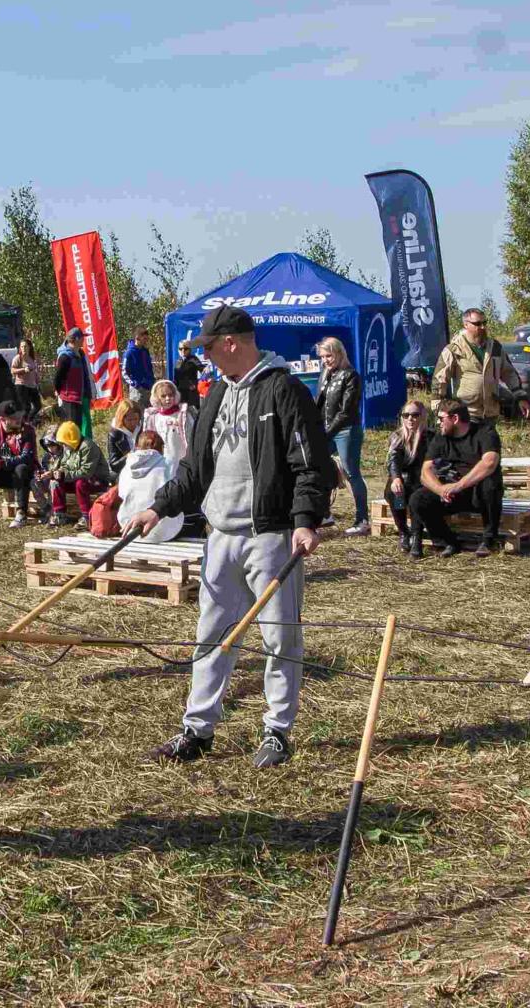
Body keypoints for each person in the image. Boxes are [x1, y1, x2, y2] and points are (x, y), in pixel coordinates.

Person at [132, 304, 332, 769]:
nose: (207, 359)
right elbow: (194, 469)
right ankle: (197, 730)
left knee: (280, 637)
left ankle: (277, 731)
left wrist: (305, 520)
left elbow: (311, 464)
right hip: (219, 535)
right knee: (212, 636)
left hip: (270, 535)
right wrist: (158, 506)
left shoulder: (284, 390)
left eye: (210, 349)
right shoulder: (217, 395)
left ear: (231, 343)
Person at [409, 397, 503, 559]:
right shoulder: (441, 438)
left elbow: (490, 462)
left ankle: (489, 539)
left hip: (477, 494)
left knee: (490, 482)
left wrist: (459, 485)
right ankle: (449, 541)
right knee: (418, 499)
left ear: (455, 419)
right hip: (450, 493)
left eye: (441, 419)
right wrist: (440, 489)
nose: (438, 423)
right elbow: (426, 472)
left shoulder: (485, 432)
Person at [316, 336, 370, 536]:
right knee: (316, 465)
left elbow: (346, 411)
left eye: (328, 356)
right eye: (322, 357)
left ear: (339, 353)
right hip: (328, 428)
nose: (326, 360)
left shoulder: (350, 375)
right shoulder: (325, 374)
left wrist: (327, 432)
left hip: (347, 429)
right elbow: (319, 404)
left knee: (351, 472)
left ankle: (362, 519)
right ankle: (324, 512)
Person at [431, 308, 520, 424]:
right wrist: (439, 411)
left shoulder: (495, 347)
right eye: (477, 324)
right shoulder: (454, 349)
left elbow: (509, 373)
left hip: (491, 414)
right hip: (466, 415)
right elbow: (439, 380)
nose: (482, 327)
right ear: (466, 325)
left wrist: (521, 396)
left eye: (484, 323)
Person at [0, 400, 38, 528]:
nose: (19, 420)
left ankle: (21, 513)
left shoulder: (27, 431)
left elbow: (27, 458)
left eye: (20, 416)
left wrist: (1, 463)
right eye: (15, 417)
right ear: (2, 419)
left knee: (21, 468)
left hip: (21, 475)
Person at [42, 420, 111, 526]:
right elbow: (65, 464)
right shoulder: (68, 447)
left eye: (64, 442)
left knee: (80, 482)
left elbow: (86, 472)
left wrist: (64, 475)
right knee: (56, 481)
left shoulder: (88, 447)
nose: (62, 445)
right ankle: (60, 514)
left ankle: (86, 516)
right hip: (76, 478)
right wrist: (56, 473)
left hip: (97, 480)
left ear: (70, 438)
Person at [117, 429, 181, 541]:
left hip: (129, 527)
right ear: (161, 447)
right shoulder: (168, 463)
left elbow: (121, 494)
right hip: (164, 530)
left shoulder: (127, 466)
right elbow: (177, 491)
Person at [384, 401, 430, 555]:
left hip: (423, 480)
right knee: (396, 494)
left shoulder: (430, 437)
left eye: (415, 415)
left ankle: (417, 537)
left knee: (417, 497)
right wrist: (396, 478)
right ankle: (404, 532)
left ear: (422, 417)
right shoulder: (397, 437)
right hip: (403, 480)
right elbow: (393, 460)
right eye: (406, 415)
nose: (410, 419)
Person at [142, 379, 196, 472]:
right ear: (157, 398)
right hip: (163, 462)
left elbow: (192, 433)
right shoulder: (153, 418)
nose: (168, 399)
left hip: (182, 459)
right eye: (163, 396)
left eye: (170, 395)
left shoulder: (182, 414)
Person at [52, 327, 94, 439]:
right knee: (72, 429)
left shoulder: (79, 353)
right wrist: (59, 391)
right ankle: (68, 450)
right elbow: (58, 378)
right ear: (75, 339)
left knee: (78, 427)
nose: (83, 340)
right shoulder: (65, 357)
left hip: (80, 396)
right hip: (69, 398)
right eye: (82, 338)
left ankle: (79, 450)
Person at [10, 337, 43, 420]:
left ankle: (29, 421)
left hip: (32, 386)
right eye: (22, 347)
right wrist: (23, 370)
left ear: (29, 347)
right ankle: (24, 425)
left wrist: (37, 379)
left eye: (25, 346)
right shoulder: (18, 358)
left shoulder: (32, 359)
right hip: (21, 385)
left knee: (38, 406)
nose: (23, 348)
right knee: (26, 408)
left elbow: (34, 371)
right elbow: (12, 370)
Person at [122, 327, 155, 408]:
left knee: (149, 414)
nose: (146, 341)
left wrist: (152, 380)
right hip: (137, 391)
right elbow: (124, 372)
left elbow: (149, 368)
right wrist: (135, 384)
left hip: (149, 387)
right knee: (138, 413)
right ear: (137, 337)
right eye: (144, 338)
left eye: (147, 339)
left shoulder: (145, 351)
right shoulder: (129, 353)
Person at [107, 398, 139, 476]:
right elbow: (114, 465)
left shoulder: (143, 427)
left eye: (136, 419)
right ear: (121, 419)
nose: (133, 423)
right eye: (129, 420)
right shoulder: (115, 434)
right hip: (125, 472)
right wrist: (129, 456)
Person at [174, 338, 203, 410]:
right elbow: (176, 378)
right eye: (180, 349)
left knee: (193, 415)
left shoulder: (193, 359)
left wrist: (194, 385)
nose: (183, 351)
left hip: (191, 394)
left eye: (185, 348)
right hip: (180, 393)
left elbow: (203, 369)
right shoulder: (178, 361)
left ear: (190, 349)